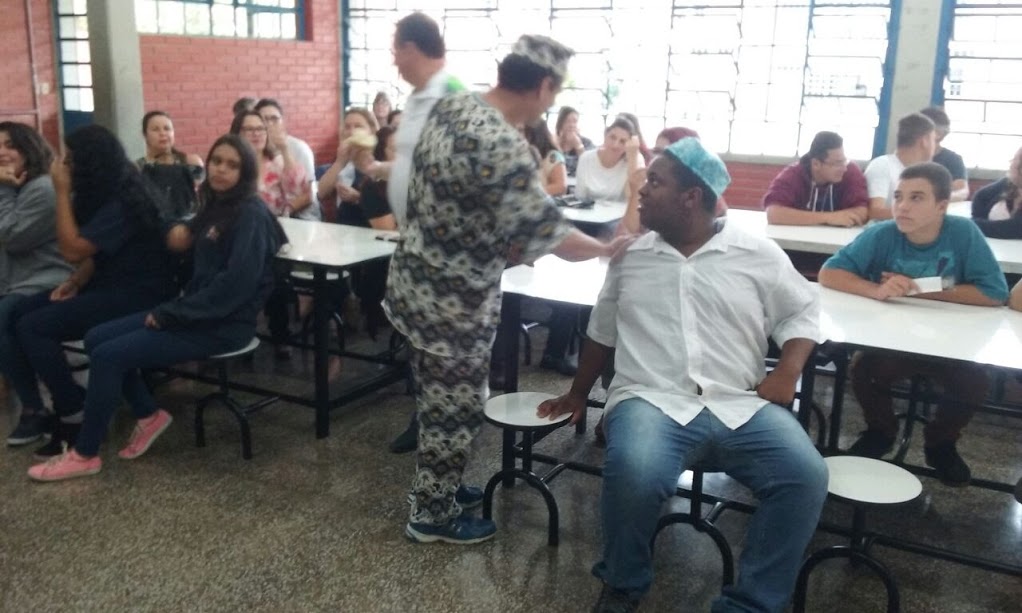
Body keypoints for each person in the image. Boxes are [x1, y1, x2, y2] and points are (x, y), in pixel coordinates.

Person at [538, 138, 827, 613]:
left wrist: (788, 371)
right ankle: (623, 584)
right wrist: (576, 394)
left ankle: (752, 603)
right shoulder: (631, 257)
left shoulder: (757, 253)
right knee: (636, 470)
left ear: (691, 197)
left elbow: (802, 312)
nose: (641, 189)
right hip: (651, 399)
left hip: (740, 403)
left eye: (655, 181)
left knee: (805, 474)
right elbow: (602, 332)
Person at [384, 34, 632, 544]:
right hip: (453, 306)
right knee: (454, 410)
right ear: (543, 86)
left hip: (413, 283)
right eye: (554, 92)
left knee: (435, 402)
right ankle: (431, 517)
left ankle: (440, 487)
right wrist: (607, 248)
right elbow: (553, 235)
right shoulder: (501, 144)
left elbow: (457, 200)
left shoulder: (453, 107)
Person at [26, 134, 287, 482]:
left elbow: (233, 288)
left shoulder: (250, 214)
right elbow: (182, 242)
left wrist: (168, 314)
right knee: (96, 337)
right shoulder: (216, 205)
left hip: (223, 325)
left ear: (246, 172)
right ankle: (148, 415)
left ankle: (85, 454)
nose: (221, 170)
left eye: (232, 165)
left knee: (108, 355)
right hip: (195, 313)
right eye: (216, 161)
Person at [819, 162, 1008, 486]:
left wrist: (920, 287)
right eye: (898, 196)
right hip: (892, 339)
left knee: (974, 382)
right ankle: (881, 431)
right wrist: (875, 290)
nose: (902, 206)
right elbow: (829, 273)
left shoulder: (963, 234)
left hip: (952, 342)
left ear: (942, 206)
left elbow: (994, 293)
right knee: (865, 370)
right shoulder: (882, 233)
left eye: (917, 198)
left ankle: (941, 443)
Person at [6, 125, 178, 456]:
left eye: (71, 160)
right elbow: (102, 252)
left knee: (34, 327)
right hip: (110, 284)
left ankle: (72, 411)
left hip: (138, 293)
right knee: (18, 312)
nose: (64, 165)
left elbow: (73, 250)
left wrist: (60, 192)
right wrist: (76, 281)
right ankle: (112, 407)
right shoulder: (107, 189)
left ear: (90, 164)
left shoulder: (122, 199)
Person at [0, 122, 74, 446]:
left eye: (9, 145)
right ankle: (36, 406)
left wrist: (3, 189)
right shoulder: (17, 187)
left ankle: (38, 408)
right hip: (18, 281)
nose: (2, 153)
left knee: (5, 315)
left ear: (28, 148)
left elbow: (12, 236)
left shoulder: (42, 188)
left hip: (52, 279)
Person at [359, 12, 465, 225]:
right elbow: (414, 167)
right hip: (415, 229)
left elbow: (455, 172)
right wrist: (376, 168)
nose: (394, 62)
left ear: (409, 49)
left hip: (443, 229)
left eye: (395, 52)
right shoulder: (417, 97)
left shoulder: (450, 94)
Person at [618, 127, 727, 236]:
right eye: (655, 152)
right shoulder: (655, 190)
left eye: (665, 153)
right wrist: (636, 189)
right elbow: (629, 231)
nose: (656, 159)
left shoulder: (708, 213)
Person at [763, 131, 869, 227]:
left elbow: (862, 211)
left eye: (844, 161)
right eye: (837, 163)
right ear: (816, 164)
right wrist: (829, 218)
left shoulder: (850, 172)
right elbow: (773, 214)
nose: (844, 168)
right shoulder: (793, 175)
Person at [255, 98, 320, 220]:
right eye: (264, 119)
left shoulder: (299, 148)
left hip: (301, 216)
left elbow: (308, 193)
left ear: (283, 122)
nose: (269, 124)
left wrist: (283, 213)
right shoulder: (256, 147)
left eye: (274, 119)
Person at [864, 112, 936, 220]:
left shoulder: (922, 172)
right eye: (934, 140)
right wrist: (921, 214)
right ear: (924, 141)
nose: (935, 146)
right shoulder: (882, 165)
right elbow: (875, 212)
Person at [317, 107, 377, 223]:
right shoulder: (342, 158)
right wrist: (340, 162)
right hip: (344, 226)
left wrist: (358, 198)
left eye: (358, 126)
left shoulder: (380, 157)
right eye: (347, 127)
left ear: (372, 130)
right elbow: (321, 192)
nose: (351, 131)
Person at [575, 116, 644, 203]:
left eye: (622, 141)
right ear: (605, 136)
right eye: (612, 137)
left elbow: (632, 198)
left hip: (621, 211)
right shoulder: (586, 158)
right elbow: (580, 196)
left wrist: (632, 159)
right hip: (589, 210)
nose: (615, 145)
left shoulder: (635, 159)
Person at [971, 144, 1022, 239]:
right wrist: (976, 222)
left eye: (1015, 161)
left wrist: (971, 225)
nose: (1011, 164)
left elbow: (1015, 228)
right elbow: (981, 196)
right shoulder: (1007, 183)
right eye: (1013, 159)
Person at [920, 106, 969, 202]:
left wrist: (935, 200)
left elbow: (962, 191)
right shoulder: (907, 157)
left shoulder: (953, 159)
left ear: (939, 134)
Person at [555, 106, 595, 176]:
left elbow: (592, 167)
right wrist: (557, 145)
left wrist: (579, 146)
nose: (571, 125)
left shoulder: (587, 143)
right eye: (567, 121)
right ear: (560, 124)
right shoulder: (552, 142)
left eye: (575, 121)